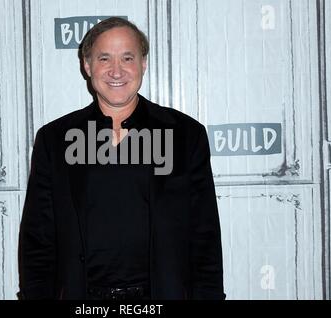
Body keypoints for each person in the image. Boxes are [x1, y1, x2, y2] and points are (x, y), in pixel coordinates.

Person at [18, 17, 225, 300]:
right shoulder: (55, 139)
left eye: (128, 57)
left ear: (143, 64)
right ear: (87, 66)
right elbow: (38, 240)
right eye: (105, 58)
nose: (117, 70)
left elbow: (204, 236)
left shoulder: (185, 135)